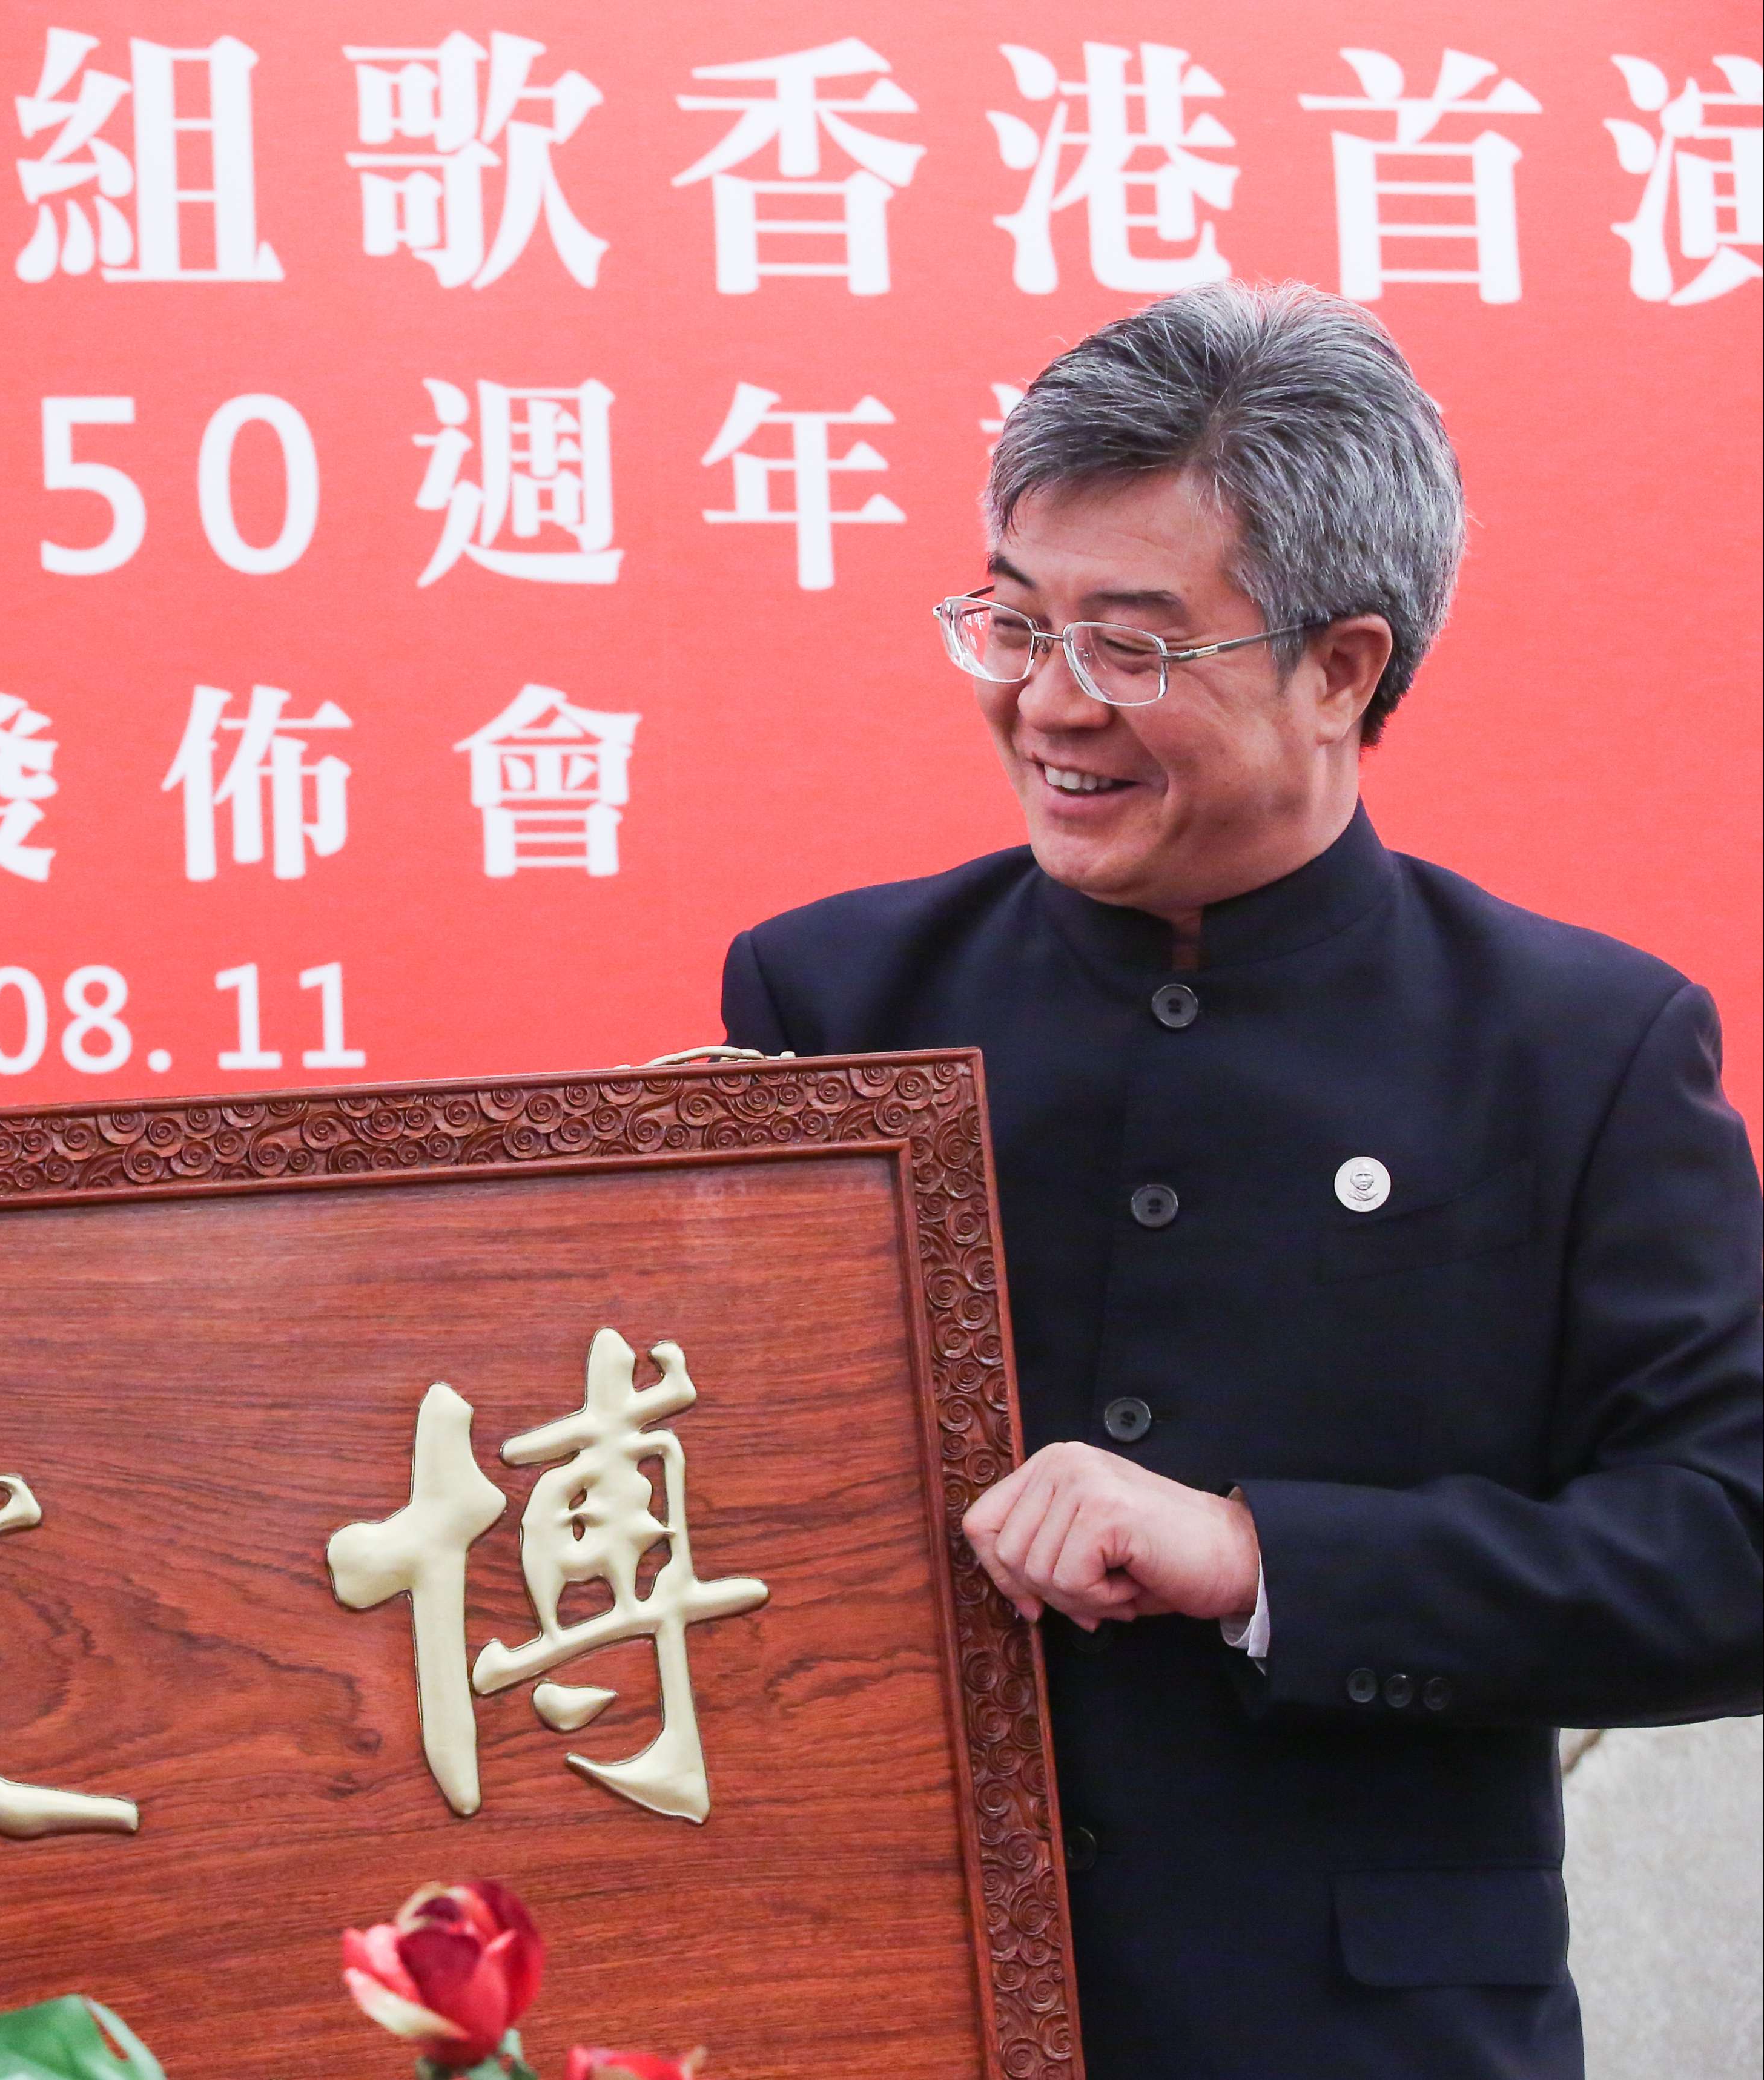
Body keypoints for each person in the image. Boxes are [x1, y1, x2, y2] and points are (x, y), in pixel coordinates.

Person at [720, 280, 1761, 2076]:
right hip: (901, 1998)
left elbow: (1730, 1548)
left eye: (1131, 646)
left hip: (1367, 2030)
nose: (1048, 703)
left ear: (1342, 665)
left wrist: (1260, 1554)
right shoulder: (830, 1001)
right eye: (1010, 621)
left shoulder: (1575, 1044)